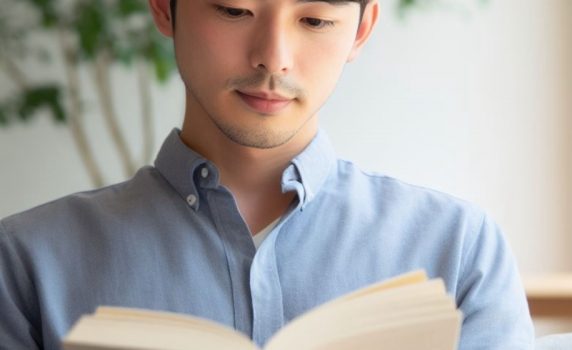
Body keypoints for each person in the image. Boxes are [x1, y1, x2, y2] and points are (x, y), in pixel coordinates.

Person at [0, 0, 534, 349]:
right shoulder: (27, 262)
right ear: (165, 7)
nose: (274, 58)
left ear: (362, 29)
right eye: (234, 10)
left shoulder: (459, 250)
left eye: (316, 20)